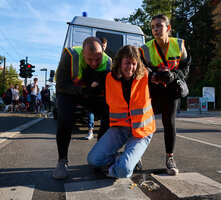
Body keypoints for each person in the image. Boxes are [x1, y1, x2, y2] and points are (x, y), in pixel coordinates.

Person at [87, 45, 155, 178]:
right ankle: (124, 159)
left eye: (134, 63)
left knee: (124, 170)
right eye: (127, 63)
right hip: (120, 128)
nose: (131, 67)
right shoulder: (109, 78)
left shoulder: (146, 76)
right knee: (93, 160)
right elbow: (93, 78)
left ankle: (121, 166)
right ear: (119, 63)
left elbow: (161, 80)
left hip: (141, 130)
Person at [139, 14, 192, 175]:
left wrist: (174, 75)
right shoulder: (145, 49)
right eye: (153, 26)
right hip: (152, 89)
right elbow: (141, 69)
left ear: (168, 28)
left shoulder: (179, 45)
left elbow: (185, 68)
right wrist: (153, 75)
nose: (155, 29)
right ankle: (137, 156)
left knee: (169, 122)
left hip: (171, 89)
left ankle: (170, 158)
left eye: (159, 26)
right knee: (144, 122)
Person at [53, 36, 111, 180]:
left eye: (98, 58)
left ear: (103, 51)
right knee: (65, 119)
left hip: (89, 93)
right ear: (83, 53)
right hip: (69, 91)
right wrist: (84, 91)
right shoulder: (70, 56)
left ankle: (100, 156)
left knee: (109, 115)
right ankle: (62, 161)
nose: (94, 63)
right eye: (90, 59)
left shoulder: (108, 62)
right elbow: (60, 85)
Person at [84, 37, 110, 140]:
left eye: (104, 47)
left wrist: (98, 83)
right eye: (101, 47)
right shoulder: (88, 63)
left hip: (102, 96)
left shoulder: (108, 61)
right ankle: (90, 130)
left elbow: (106, 79)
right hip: (91, 95)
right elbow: (89, 80)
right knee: (90, 111)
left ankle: (101, 140)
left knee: (105, 119)